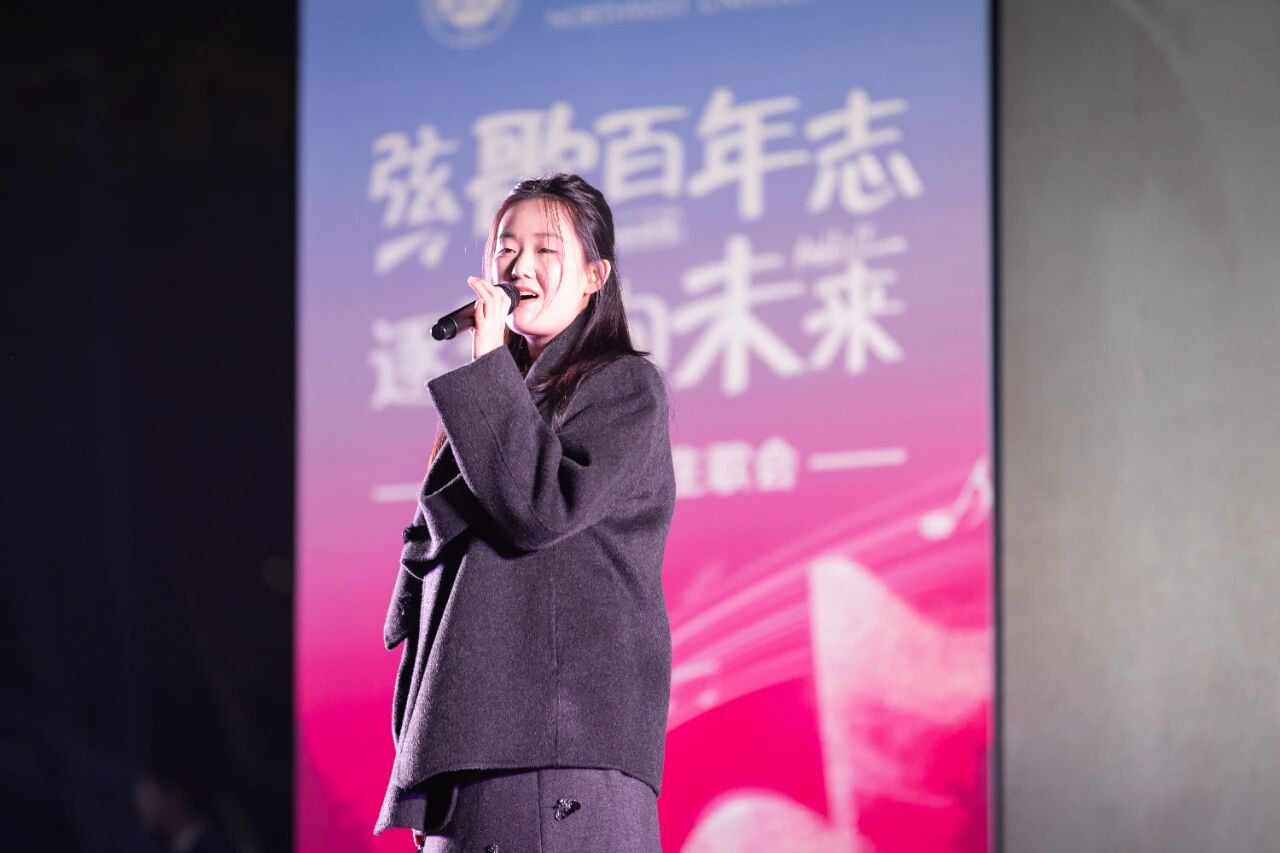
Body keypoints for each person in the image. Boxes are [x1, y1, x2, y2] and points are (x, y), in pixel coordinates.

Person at [373, 172, 677, 852]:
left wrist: (487, 368)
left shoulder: (624, 386)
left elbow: (540, 510)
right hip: (476, 754)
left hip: (558, 750)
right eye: (506, 248)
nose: (519, 266)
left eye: (545, 249)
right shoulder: (502, 402)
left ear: (595, 275)